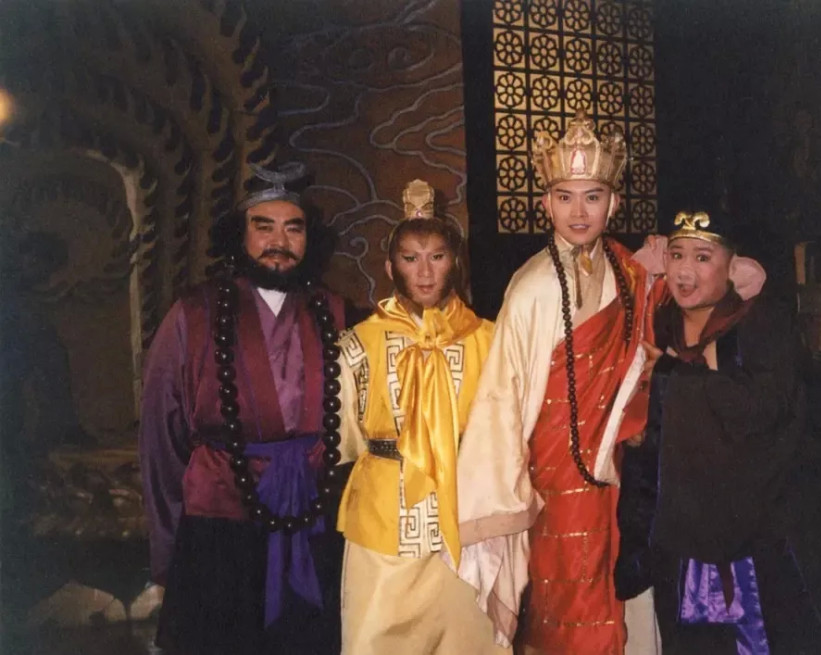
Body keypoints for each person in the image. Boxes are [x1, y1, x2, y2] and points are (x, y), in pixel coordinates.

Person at [615, 210, 821, 654]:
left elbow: (764, 409)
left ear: (734, 266)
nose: (685, 271)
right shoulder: (658, 321)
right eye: (676, 255)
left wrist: (674, 377)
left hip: (765, 534)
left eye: (702, 257)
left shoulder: (761, 322)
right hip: (687, 538)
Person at [455, 111, 661, 654]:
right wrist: (499, 490)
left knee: (617, 588)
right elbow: (501, 394)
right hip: (554, 472)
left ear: (614, 203)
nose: (579, 211)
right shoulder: (532, 287)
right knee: (564, 600)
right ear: (545, 204)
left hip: (618, 466)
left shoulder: (630, 273)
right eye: (565, 197)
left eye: (593, 197)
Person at [139, 162, 364, 655]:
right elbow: (161, 434)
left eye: (293, 228)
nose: (278, 242)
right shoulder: (193, 313)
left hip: (312, 515)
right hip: (221, 517)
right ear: (240, 236)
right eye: (264, 227)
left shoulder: (337, 313)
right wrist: (169, 542)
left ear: (308, 239)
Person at [335, 180, 505, 654]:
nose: (425, 272)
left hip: (466, 521)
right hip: (383, 520)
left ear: (455, 263)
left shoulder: (489, 339)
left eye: (437, 257)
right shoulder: (358, 343)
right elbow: (345, 440)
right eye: (411, 258)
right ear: (391, 267)